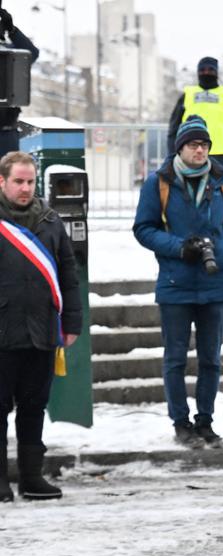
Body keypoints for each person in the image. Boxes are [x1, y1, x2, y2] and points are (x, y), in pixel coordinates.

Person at [133, 115, 223, 448]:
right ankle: (180, 422)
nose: (201, 150)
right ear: (180, 148)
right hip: (175, 283)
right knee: (176, 358)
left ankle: (206, 421)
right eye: (194, 145)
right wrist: (179, 248)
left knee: (211, 359)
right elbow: (143, 228)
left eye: (205, 145)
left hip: (214, 284)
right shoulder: (160, 182)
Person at [0, 151, 81, 501]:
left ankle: (31, 477)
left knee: (34, 408)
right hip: (3, 332)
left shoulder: (49, 220)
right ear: (1, 181)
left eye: (30, 181)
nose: (25, 188)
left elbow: (68, 273)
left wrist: (72, 320)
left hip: (43, 332)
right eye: (18, 181)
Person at [167, 57, 223, 176]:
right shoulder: (188, 95)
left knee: (220, 193)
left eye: (210, 70)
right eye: (202, 70)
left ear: (216, 72)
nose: (206, 73)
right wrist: (172, 155)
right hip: (191, 154)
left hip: (222, 156)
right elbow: (174, 128)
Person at [0, 9, 39, 157]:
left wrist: (12, 30)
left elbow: (30, 54)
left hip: (6, 133)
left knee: (8, 176)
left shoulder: (8, 55)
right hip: (7, 134)